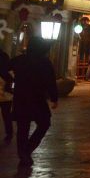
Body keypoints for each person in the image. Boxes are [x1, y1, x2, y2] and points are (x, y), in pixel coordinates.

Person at [10, 37, 58, 167]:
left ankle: (23, 153)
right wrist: (54, 98)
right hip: (37, 98)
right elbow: (51, 82)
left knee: (22, 128)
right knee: (44, 123)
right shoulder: (44, 62)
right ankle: (27, 149)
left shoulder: (19, 60)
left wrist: (10, 84)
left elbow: (6, 69)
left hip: (20, 98)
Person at [0, 49, 14, 141]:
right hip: (6, 96)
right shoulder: (9, 74)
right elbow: (13, 83)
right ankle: (9, 133)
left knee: (6, 115)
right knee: (6, 115)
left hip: (5, 95)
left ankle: (9, 133)